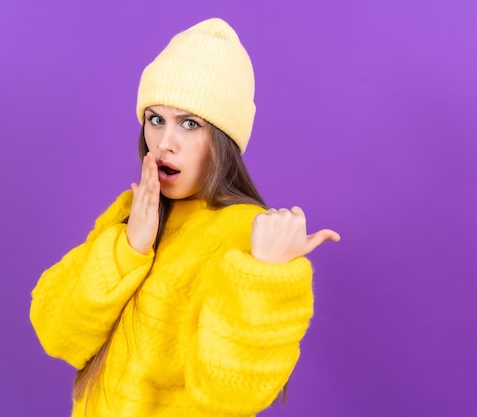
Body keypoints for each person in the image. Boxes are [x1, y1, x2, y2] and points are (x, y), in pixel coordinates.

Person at [30, 17, 340, 417]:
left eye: (189, 124)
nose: (164, 143)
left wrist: (267, 277)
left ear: (224, 141)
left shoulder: (246, 235)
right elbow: (56, 334)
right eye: (155, 119)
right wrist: (129, 248)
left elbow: (232, 394)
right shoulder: (135, 211)